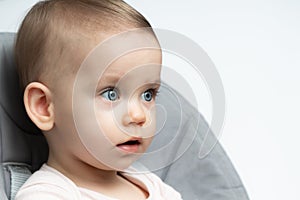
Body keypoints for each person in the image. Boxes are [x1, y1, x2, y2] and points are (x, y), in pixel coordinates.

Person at [14, 0, 182, 199]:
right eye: (111, 94)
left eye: (148, 94)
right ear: (44, 106)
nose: (139, 115)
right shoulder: (48, 195)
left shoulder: (154, 186)